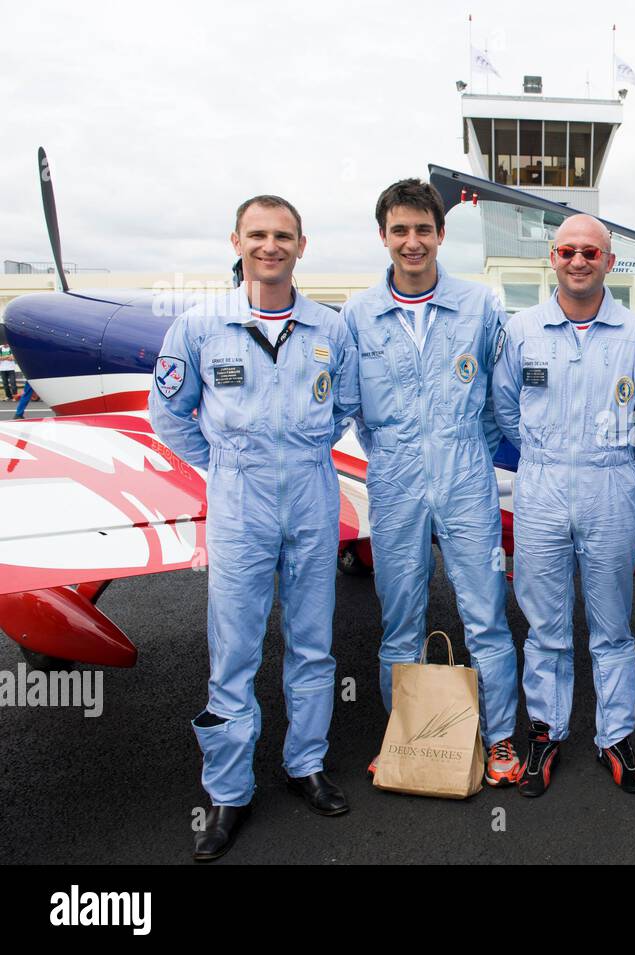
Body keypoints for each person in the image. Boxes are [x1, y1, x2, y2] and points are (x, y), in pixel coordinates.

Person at [149, 195, 360, 862]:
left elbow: (348, 405)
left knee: (313, 640)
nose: (271, 246)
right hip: (239, 494)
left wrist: (297, 456)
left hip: (311, 487)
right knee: (234, 649)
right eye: (258, 234)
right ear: (237, 241)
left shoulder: (332, 327)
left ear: (303, 245)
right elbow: (170, 412)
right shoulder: (200, 325)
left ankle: (306, 763)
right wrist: (225, 467)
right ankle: (229, 790)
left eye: (284, 235)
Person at [343, 179, 520, 787]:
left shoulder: (479, 307)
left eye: (424, 230)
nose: (412, 242)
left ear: (441, 234)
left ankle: (498, 740)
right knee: (400, 619)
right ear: (384, 236)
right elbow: (352, 408)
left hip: (466, 473)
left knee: (486, 614)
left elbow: (499, 403)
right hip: (393, 479)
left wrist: (464, 449)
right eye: (400, 231)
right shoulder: (358, 315)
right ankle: (406, 737)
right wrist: (396, 454)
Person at [493, 213, 635, 797]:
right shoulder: (522, 330)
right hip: (541, 483)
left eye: (590, 253)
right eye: (567, 250)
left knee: (613, 624)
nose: (578, 260)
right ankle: (546, 732)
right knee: (544, 623)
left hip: (609, 485)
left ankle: (615, 735)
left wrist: (602, 454)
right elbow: (506, 410)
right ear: (553, 258)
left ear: (609, 263)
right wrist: (548, 455)